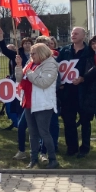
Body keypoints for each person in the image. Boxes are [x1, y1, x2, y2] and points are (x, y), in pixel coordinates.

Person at [15, 43, 59, 169]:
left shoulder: (50, 65)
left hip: (43, 104)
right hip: (29, 102)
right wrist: (19, 66)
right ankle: (33, 159)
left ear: (41, 53)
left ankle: (52, 159)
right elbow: (19, 78)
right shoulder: (31, 63)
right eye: (30, 53)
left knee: (44, 132)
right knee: (33, 133)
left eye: (33, 53)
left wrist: (29, 72)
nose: (30, 55)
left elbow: (43, 83)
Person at [57, 27, 93, 158]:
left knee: (85, 122)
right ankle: (71, 148)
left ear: (84, 36)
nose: (73, 35)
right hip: (67, 92)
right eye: (72, 33)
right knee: (68, 121)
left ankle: (85, 148)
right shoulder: (65, 50)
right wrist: (59, 82)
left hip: (84, 92)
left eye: (76, 33)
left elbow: (93, 70)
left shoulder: (89, 51)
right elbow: (58, 67)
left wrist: (83, 78)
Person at [0, 27, 33, 158]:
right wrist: (1, 37)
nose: (27, 45)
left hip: (32, 87)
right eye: (25, 43)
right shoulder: (17, 54)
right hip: (19, 86)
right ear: (22, 45)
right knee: (19, 111)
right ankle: (21, 141)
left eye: (29, 43)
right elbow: (5, 50)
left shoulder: (36, 55)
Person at [35, 35, 60, 163]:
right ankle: (39, 152)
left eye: (48, 44)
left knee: (50, 127)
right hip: (37, 100)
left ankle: (50, 152)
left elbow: (53, 82)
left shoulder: (52, 62)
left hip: (49, 100)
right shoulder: (33, 63)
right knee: (40, 128)